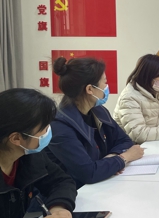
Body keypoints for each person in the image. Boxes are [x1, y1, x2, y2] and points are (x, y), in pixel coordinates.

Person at [0, 88, 77, 218]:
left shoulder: (28, 156)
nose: (48, 132)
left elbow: (61, 181)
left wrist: (59, 206)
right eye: (44, 128)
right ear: (16, 138)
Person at [46, 57, 144, 189]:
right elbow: (88, 173)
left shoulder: (99, 111)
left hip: (102, 185)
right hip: (74, 193)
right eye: (105, 82)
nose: (106, 87)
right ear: (90, 89)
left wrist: (112, 158)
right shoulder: (60, 126)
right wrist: (124, 158)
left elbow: (125, 141)